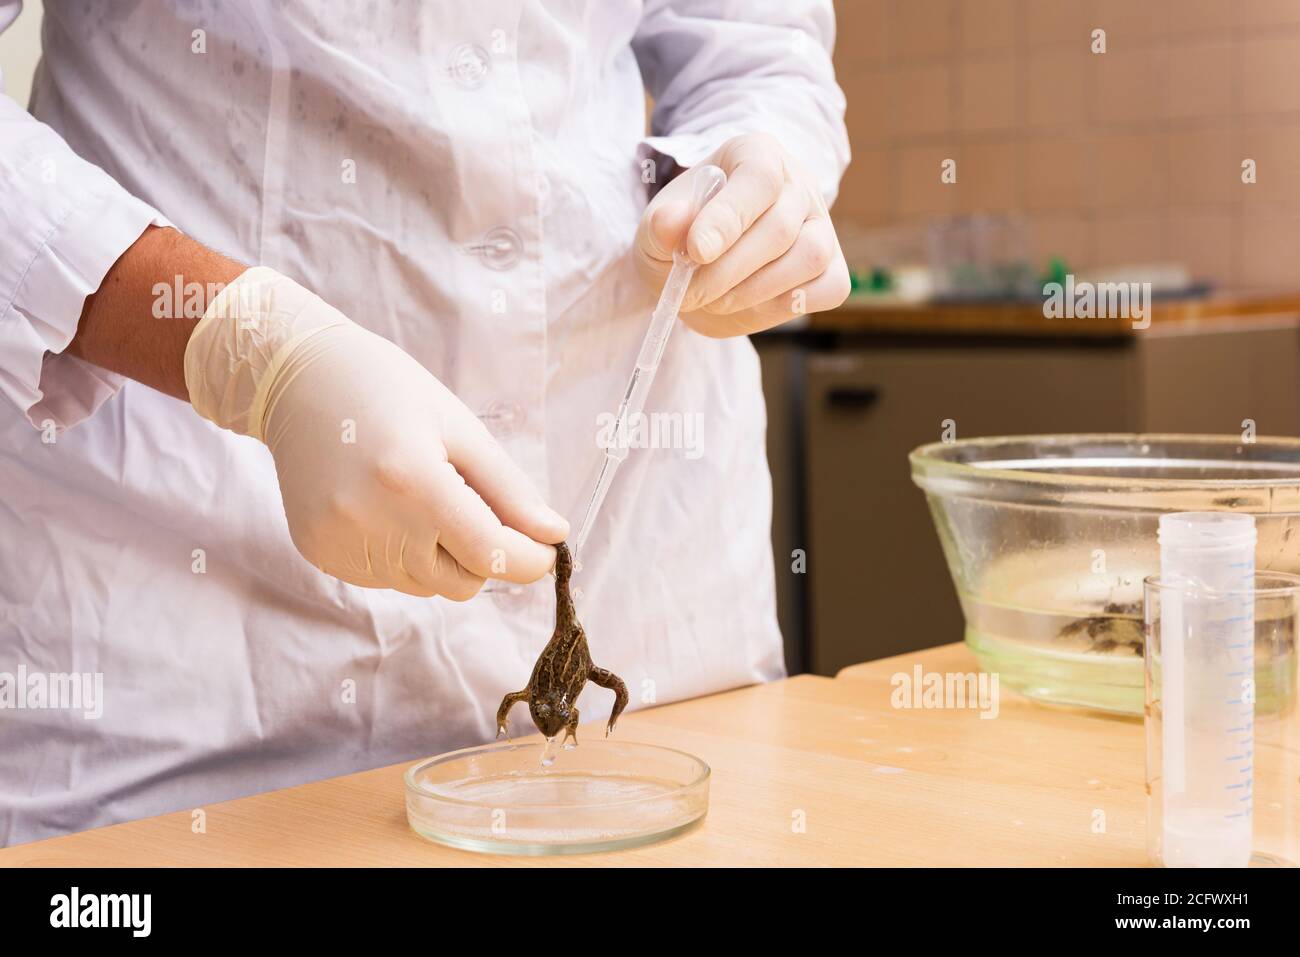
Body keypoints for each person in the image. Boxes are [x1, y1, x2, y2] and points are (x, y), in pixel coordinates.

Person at [0, 0, 849, 845]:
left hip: (648, 558)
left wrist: (764, 165)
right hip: (194, 598)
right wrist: (243, 347)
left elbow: (757, 43)